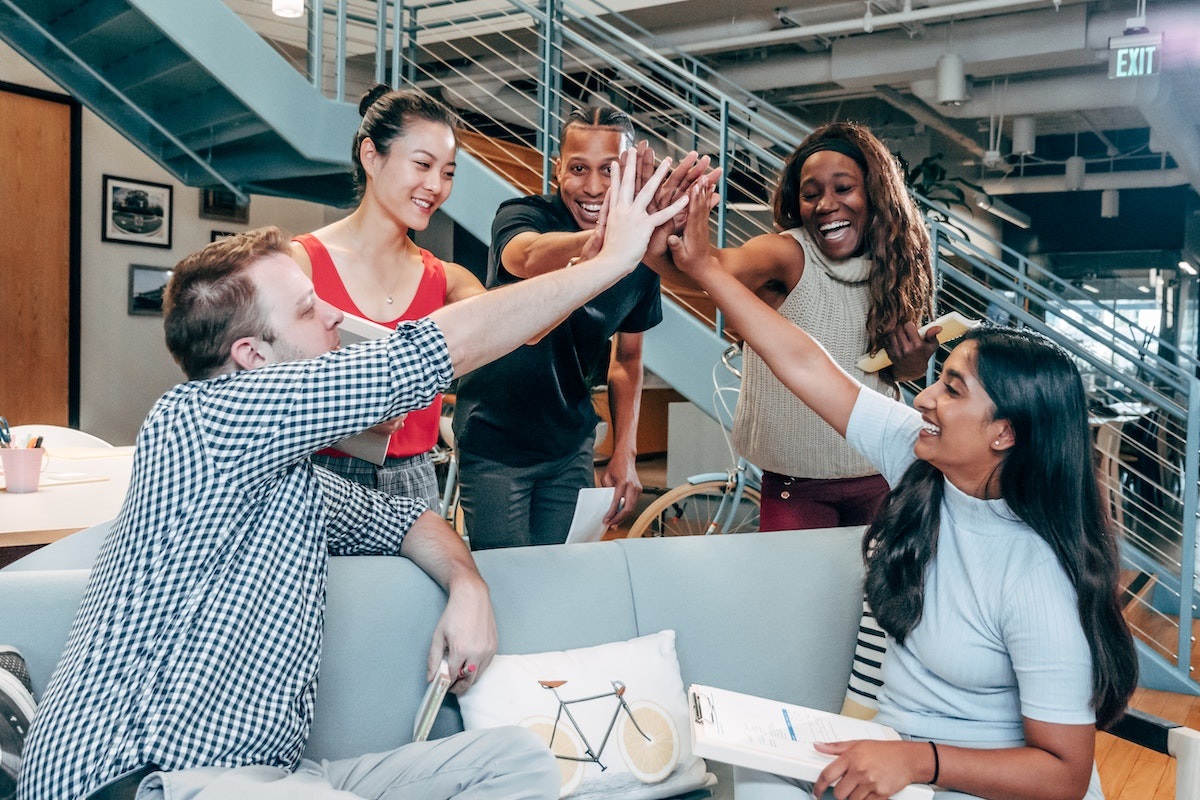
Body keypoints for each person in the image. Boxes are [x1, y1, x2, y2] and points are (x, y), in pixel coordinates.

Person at [16, 148, 689, 800]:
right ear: (249, 356)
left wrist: (467, 582)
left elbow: (408, 519)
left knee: (517, 762)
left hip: (276, 777)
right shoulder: (201, 419)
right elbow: (423, 357)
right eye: (309, 309)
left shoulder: (292, 477)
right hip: (139, 777)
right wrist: (615, 258)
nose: (335, 313)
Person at [666, 179, 1138, 800]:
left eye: (953, 389)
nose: (923, 396)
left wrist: (918, 762)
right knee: (751, 783)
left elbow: (1065, 774)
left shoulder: (1037, 574)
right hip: (897, 764)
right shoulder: (921, 460)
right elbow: (804, 362)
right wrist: (704, 268)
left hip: (962, 782)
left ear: (1005, 433)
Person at [647, 121, 938, 532]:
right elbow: (710, 269)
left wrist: (912, 364)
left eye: (843, 188)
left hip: (881, 474)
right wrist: (665, 231)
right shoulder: (786, 254)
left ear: (875, 195)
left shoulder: (893, 269)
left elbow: (890, 377)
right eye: (811, 193)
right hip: (795, 486)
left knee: (875, 597)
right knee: (793, 597)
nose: (825, 204)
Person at [451, 106, 709, 549]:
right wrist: (608, 244)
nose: (592, 187)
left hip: (569, 447)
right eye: (578, 169)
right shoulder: (522, 215)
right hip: (495, 442)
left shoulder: (640, 258)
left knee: (559, 579)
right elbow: (526, 256)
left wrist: (624, 452)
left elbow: (628, 360)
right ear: (557, 170)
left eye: (610, 170)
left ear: (631, 174)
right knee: (507, 582)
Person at [290, 85, 486, 509]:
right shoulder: (299, 264)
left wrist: (590, 263)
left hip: (416, 481)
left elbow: (516, 328)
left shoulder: (446, 279)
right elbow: (263, 388)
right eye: (422, 164)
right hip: (319, 478)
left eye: (448, 173)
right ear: (371, 156)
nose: (435, 186)